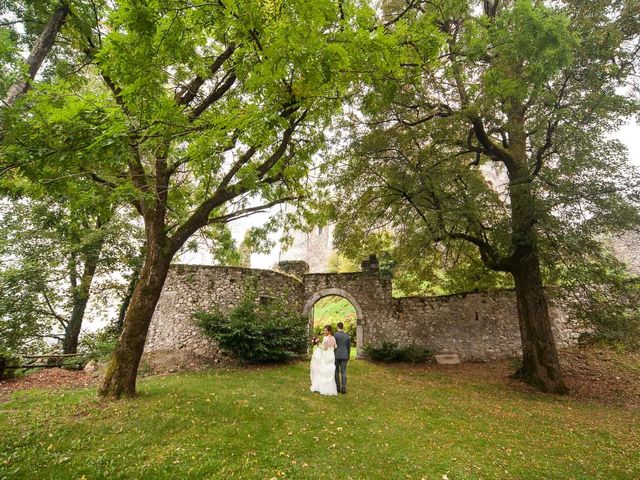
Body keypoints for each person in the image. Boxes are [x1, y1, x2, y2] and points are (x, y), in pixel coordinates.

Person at [310, 325, 338, 396]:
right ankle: (330, 389)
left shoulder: (325, 338)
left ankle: (323, 388)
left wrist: (318, 344)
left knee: (323, 370)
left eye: (325, 330)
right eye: (324, 330)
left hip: (326, 355)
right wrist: (330, 349)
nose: (324, 331)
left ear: (329, 331)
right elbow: (335, 347)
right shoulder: (333, 338)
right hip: (331, 355)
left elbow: (324, 348)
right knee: (329, 370)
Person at [334, 322, 350, 394]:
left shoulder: (335, 335)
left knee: (336, 371)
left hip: (336, 355)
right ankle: (344, 387)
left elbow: (334, 346)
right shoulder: (347, 336)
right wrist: (348, 355)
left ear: (337, 327)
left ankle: (338, 387)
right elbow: (348, 347)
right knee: (344, 372)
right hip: (344, 355)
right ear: (342, 327)